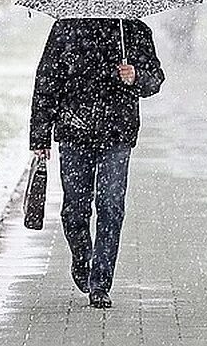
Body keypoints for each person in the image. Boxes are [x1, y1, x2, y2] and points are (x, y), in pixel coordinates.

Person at [29, 17, 164, 309]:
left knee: (111, 206)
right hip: (74, 131)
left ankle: (100, 283)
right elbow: (48, 80)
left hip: (117, 134)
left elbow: (155, 78)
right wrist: (40, 136)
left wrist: (136, 76)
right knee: (74, 209)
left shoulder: (134, 30)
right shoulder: (66, 28)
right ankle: (82, 257)